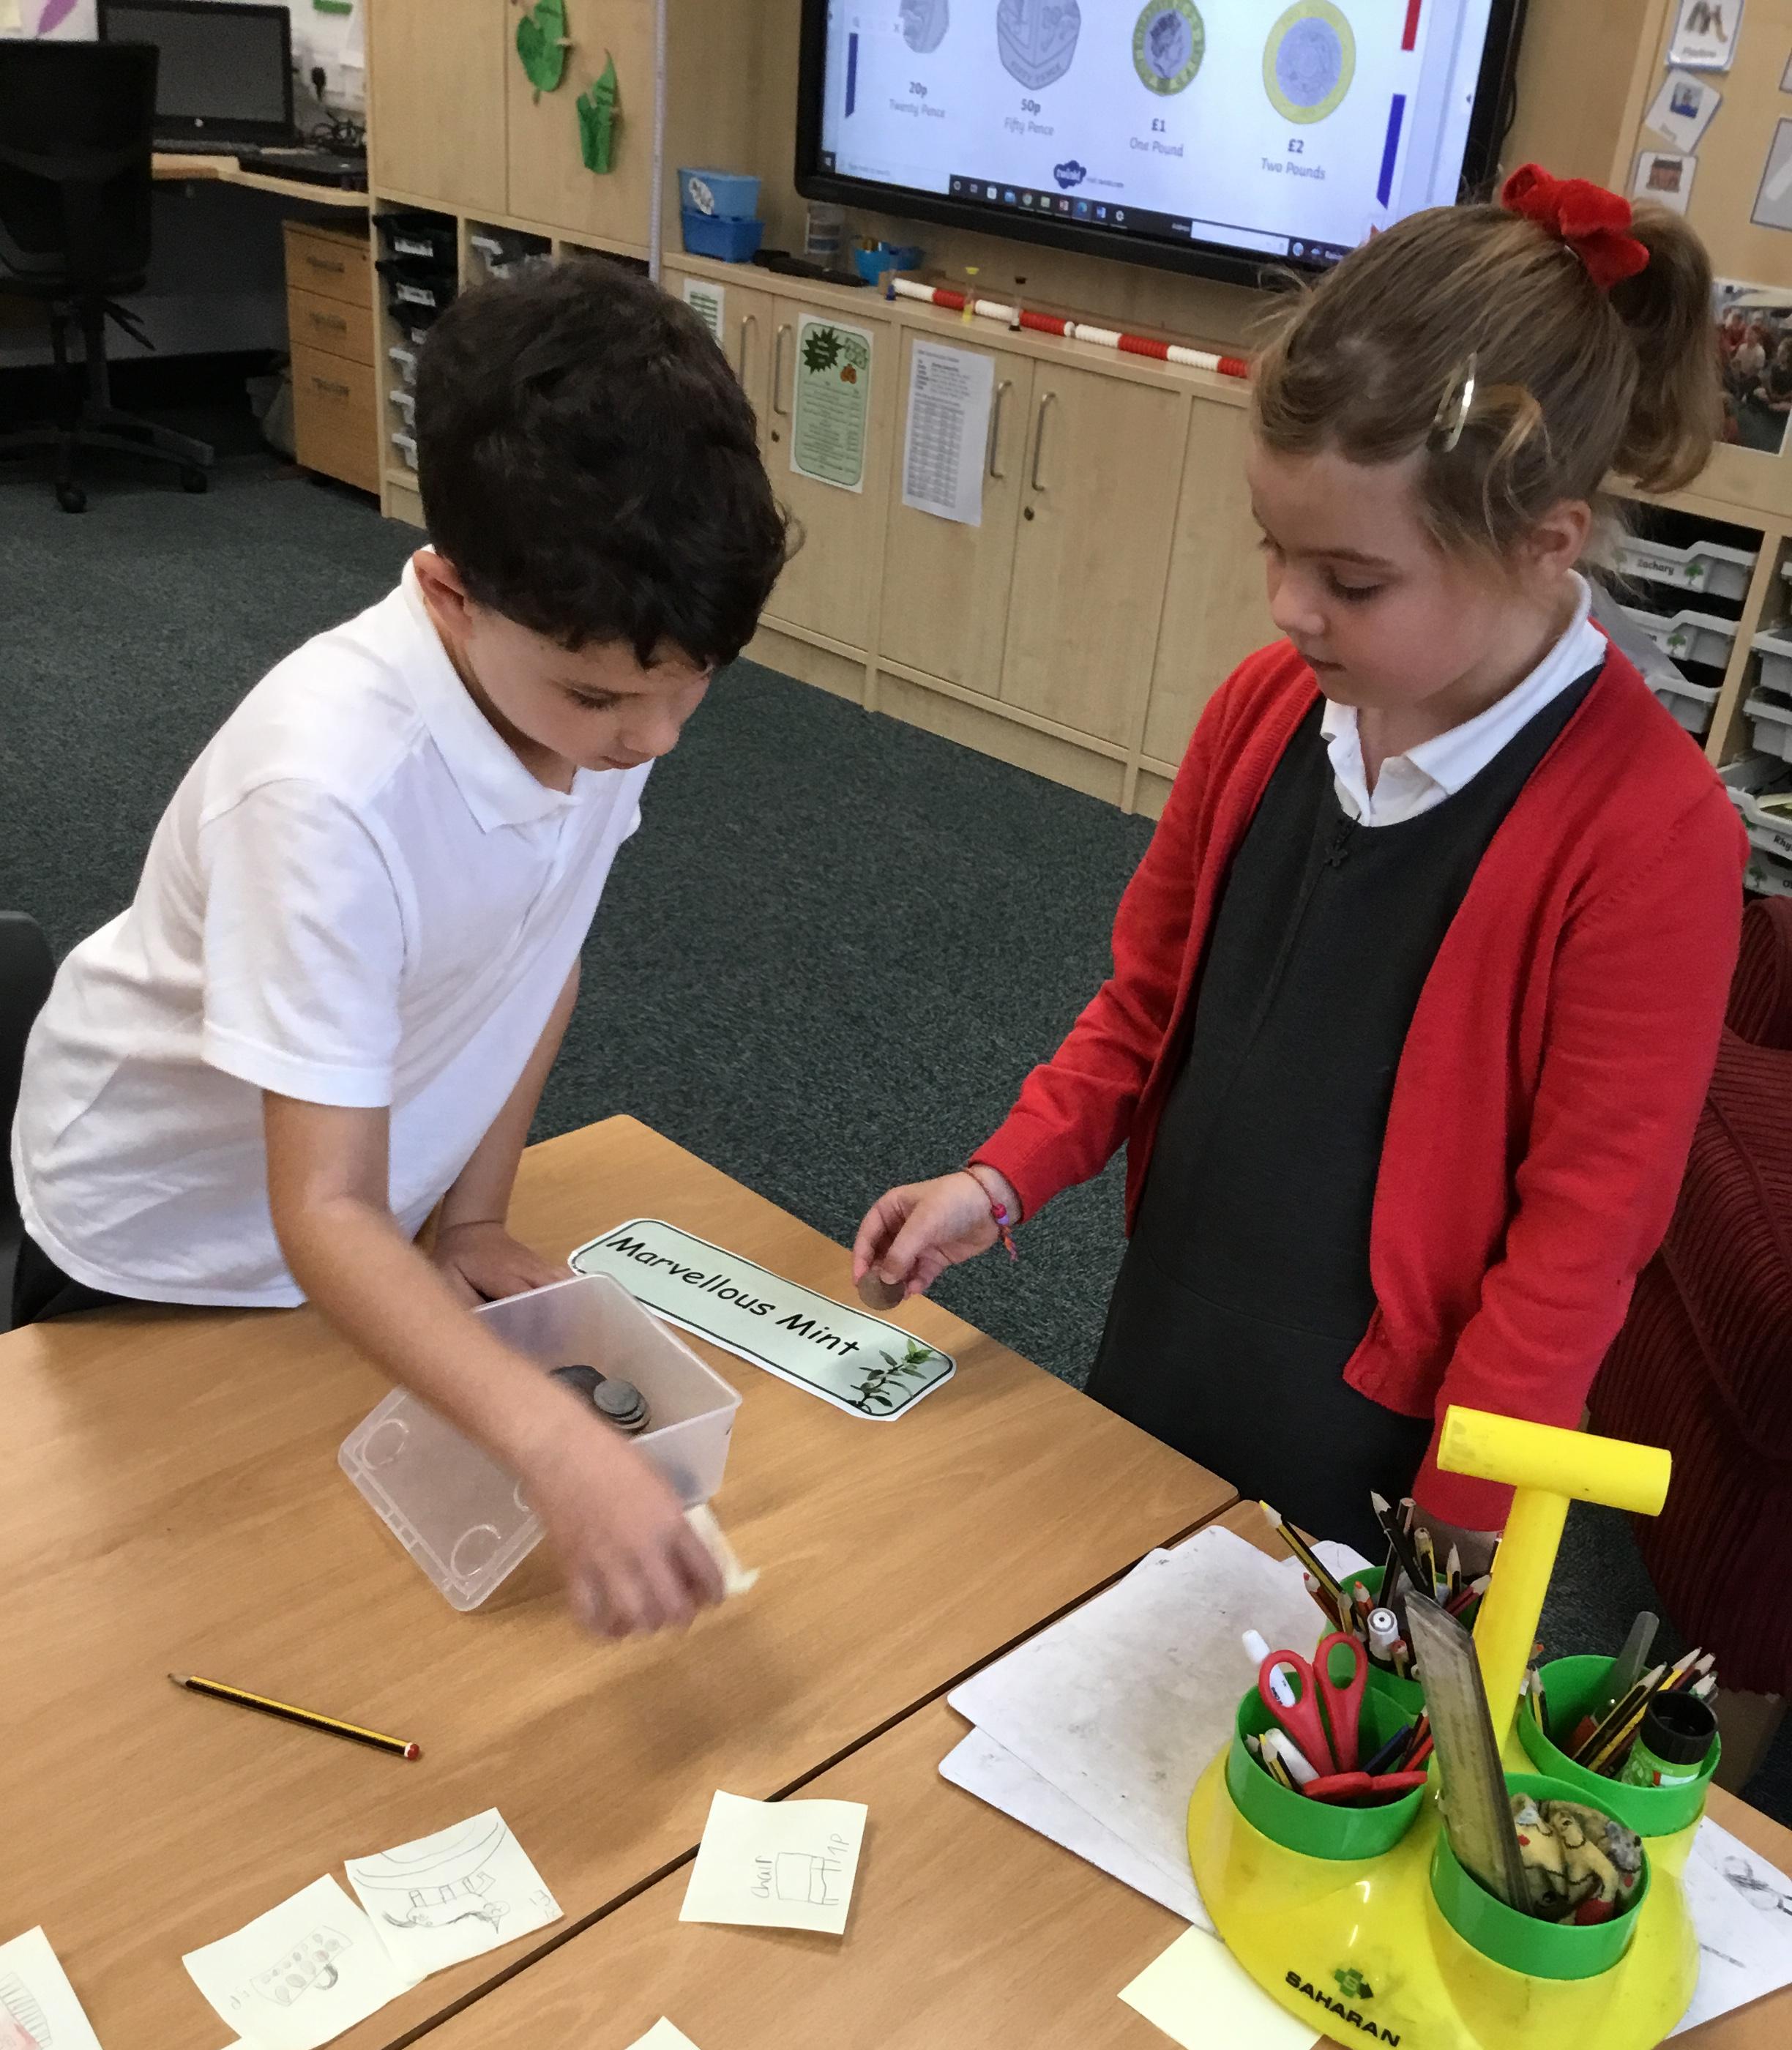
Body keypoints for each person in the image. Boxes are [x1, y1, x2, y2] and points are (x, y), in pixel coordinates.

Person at [854, 165, 1747, 1560]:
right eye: (1275, 550)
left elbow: (1583, 1238)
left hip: (1387, 1440)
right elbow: (1147, 1007)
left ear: (1541, 546)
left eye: (1353, 581)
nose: (1289, 607)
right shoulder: (1267, 710)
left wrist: (1457, 1532)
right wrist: (1002, 1179)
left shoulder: (1654, 833)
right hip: (1178, 1316)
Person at [12, 260, 789, 1636]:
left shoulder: (584, 707)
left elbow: (542, 953)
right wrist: (553, 1448)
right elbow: (319, 1210)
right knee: (174, 1602)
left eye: (694, 688)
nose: (655, 740)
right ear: (447, 596)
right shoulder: (326, 791)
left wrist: (474, 1215)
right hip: (156, 1246)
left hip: (360, 1221)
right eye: (607, 697)